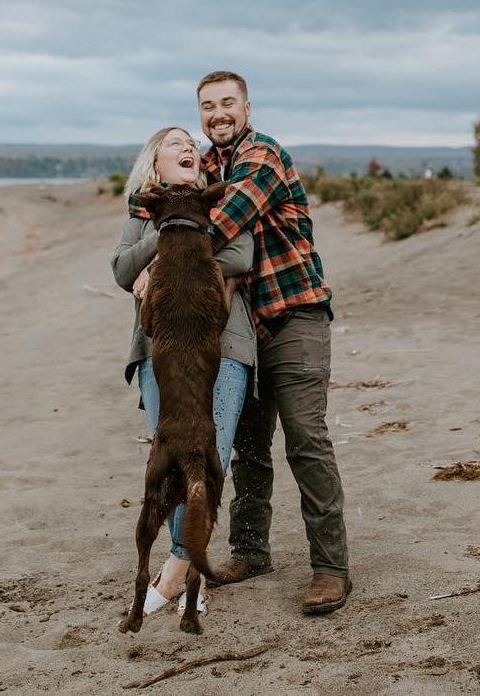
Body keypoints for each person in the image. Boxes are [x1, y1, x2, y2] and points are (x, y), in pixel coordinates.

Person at [196, 70, 351, 615]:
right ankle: (250, 552)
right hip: (242, 328)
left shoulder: (262, 155)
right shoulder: (205, 164)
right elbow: (168, 203)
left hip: (294, 315)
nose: (218, 114)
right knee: (249, 447)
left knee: (306, 440)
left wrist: (166, 250)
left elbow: (220, 221)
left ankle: (331, 569)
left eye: (227, 103)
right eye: (208, 106)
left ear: (246, 106)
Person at [109, 126, 256, 615]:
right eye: (175, 144)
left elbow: (242, 254)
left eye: (191, 145)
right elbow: (121, 269)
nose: (187, 148)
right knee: (171, 457)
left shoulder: (221, 206)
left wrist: (182, 240)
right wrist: (163, 235)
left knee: (208, 451)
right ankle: (191, 569)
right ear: (155, 165)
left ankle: (177, 569)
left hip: (223, 344)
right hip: (160, 348)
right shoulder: (142, 212)